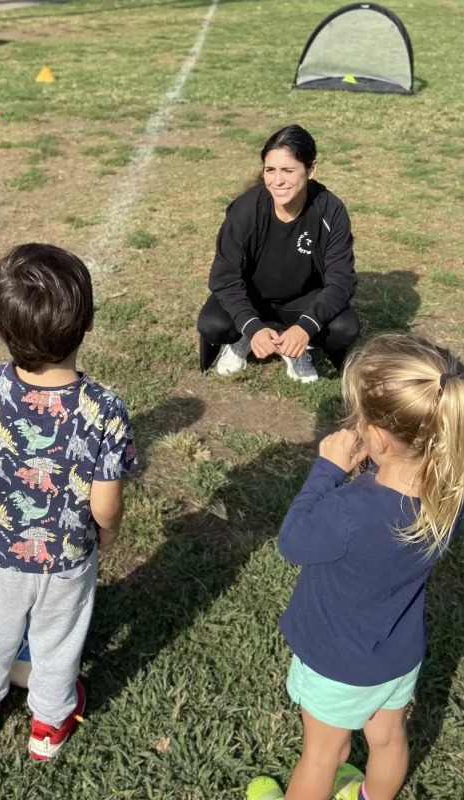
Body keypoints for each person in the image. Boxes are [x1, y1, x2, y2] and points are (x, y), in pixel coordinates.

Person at [247, 333, 464, 800]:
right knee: (386, 737)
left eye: (359, 419)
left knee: (325, 755)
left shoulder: (349, 511)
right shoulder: (450, 495)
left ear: (380, 438)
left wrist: (327, 469)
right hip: (398, 656)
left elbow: (293, 542)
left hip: (338, 661)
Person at [0, 243, 137, 760]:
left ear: (1, 327)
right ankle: (49, 726)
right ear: (88, 322)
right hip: (69, 558)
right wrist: (110, 532)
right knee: (58, 641)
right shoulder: (105, 408)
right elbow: (107, 500)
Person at [197, 124, 359, 382]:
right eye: (270, 170)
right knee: (213, 325)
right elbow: (224, 278)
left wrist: (306, 327)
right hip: (253, 296)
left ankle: (297, 348)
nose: (278, 180)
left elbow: (341, 281)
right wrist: (251, 326)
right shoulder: (246, 209)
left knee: (344, 328)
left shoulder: (331, 210)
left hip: (301, 299)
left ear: (312, 169)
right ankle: (241, 340)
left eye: (288, 170)